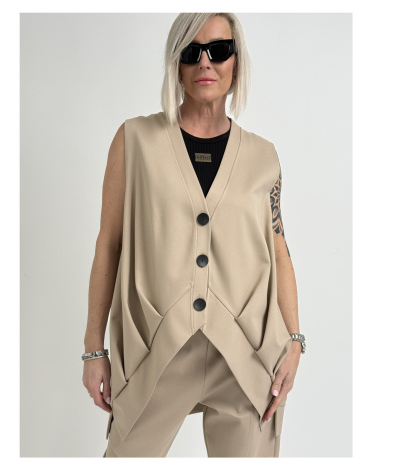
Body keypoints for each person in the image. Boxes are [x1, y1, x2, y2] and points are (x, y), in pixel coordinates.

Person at [82, 13, 306, 458]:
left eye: (219, 50)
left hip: (249, 357)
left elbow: (278, 249)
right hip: (153, 350)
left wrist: (295, 342)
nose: (206, 62)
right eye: (191, 51)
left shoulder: (264, 157)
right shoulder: (134, 140)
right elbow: (109, 243)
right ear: (176, 63)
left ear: (236, 62)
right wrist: (94, 350)